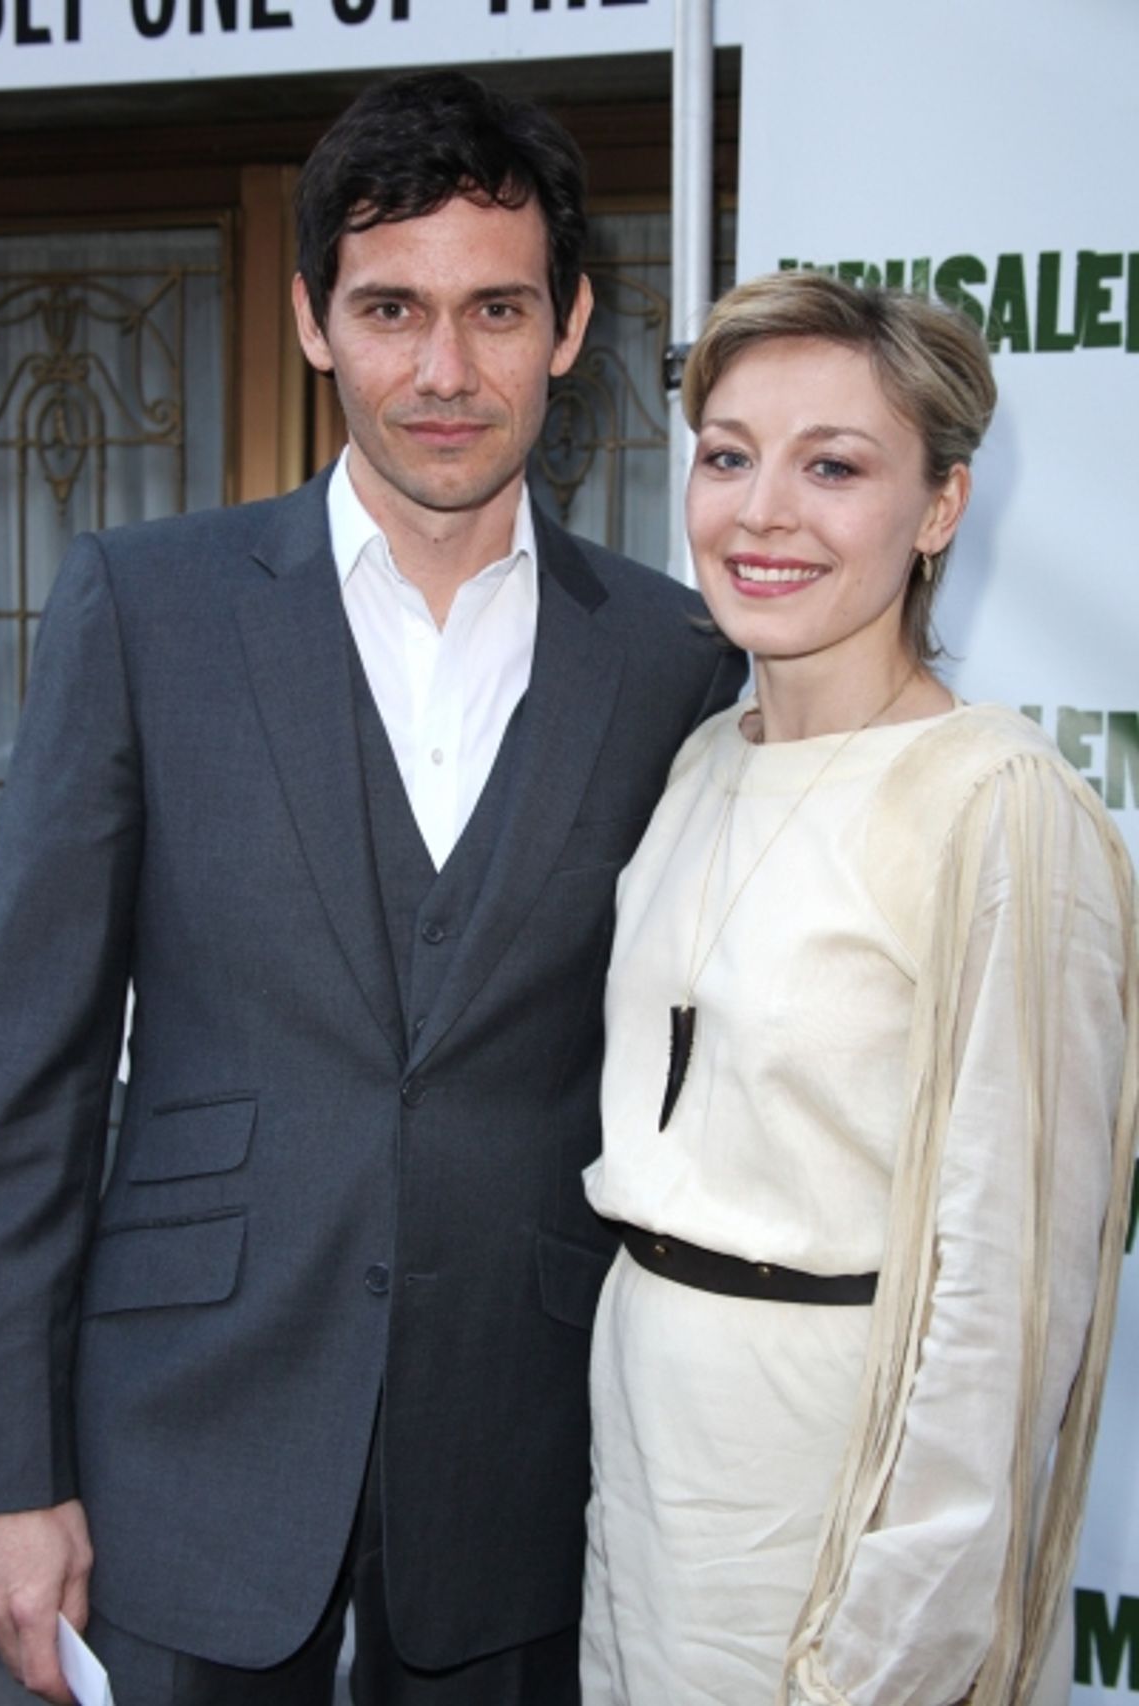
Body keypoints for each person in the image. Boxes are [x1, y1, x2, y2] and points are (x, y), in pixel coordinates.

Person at [0, 71, 744, 1706]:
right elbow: (22, 1078)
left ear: (573, 323)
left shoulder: (675, 654)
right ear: (315, 319)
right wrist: (5, 1471)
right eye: (391, 308)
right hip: (185, 1430)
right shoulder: (147, 609)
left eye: (495, 308)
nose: (443, 371)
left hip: (530, 1448)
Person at [581, 271, 1137, 1706]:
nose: (762, 512)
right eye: (728, 454)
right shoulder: (704, 760)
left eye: (834, 465)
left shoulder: (997, 803)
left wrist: (892, 1653)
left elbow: (1009, 1309)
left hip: (827, 1486)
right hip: (645, 1473)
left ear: (941, 507)